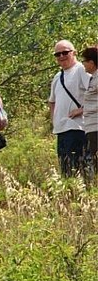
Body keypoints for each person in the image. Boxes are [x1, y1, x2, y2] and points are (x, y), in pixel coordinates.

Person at [48, 40, 91, 178]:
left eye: (65, 52)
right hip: (62, 130)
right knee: (66, 170)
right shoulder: (57, 76)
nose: (61, 56)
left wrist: (81, 109)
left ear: (74, 53)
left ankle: (85, 196)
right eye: (57, 54)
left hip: (78, 128)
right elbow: (52, 101)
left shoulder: (81, 70)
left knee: (80, 168)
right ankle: (70, 196)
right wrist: (54, 120)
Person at [80, 46, 97, 180]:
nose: (83, 64)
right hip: (91, 126)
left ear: (91, 62)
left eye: (84, 60)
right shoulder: (93, 78)